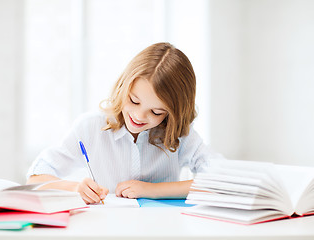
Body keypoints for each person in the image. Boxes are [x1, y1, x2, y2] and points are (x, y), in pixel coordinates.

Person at [26, 42, 219, 204]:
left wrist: (152, 190)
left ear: (173, 113)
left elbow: (222, 181)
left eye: (156, 112)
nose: (139, 116)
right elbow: (36, 178)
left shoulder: (179, 135)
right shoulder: (90, 127)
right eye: (134, 101)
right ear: (123, 86)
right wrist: (75, 188)